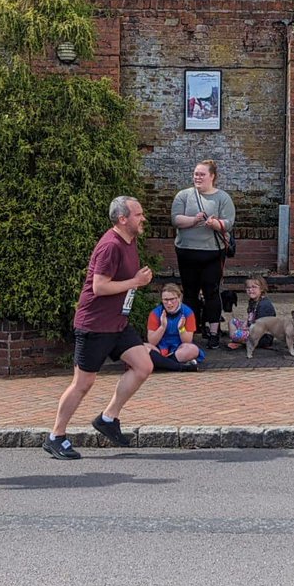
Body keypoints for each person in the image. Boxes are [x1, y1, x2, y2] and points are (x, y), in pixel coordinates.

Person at [45, 196, 154, 460]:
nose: (143, 219)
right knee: (83, 383)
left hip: (117, 322)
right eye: (138, 215)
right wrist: (135, 282)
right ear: (122, 219)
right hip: (94, 324)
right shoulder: (110, 246)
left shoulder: (131, 240)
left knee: (143, 366)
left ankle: (108, 417)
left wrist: (133, 282)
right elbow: (99, 287)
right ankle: (56, 436)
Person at [171, 160, 236, 349]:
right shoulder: (183, 195)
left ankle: (214, 332)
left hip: (213, 252)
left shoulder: (223, 198)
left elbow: (229, 222)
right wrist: (193, 220)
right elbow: (176, 219)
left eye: (202, 174)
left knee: (211, 292)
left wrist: (216, 224)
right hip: (187, 251)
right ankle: (190, 333)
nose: (197, 177)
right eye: (195, 174)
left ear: (212, 176)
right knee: (189, 293)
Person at [147, 283, 203, 371]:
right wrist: (162, 327)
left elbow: (187, 341)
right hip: (160, 348)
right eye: (165, 300)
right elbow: (152, 341)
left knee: (193, 349)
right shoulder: (155, 313)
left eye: (172, 299)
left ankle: (161, 364)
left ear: (179, 298)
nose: (169, 303)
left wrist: (181, 328)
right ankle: (172, 365)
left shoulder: (188, 312)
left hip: (178, 349)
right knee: (142, 348)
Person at [227, 275, 276, 350]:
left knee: (235, 334)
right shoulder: (253, 301)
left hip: (262, 337)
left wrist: (245, 329)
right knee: (232, 321)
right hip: (252, 327)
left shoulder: (264, 305)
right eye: (248, 287)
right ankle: (241, 340)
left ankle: (241, 341)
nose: (250, 290)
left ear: (262, 289)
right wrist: (245, 323)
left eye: (254, 287)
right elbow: (250, 315)